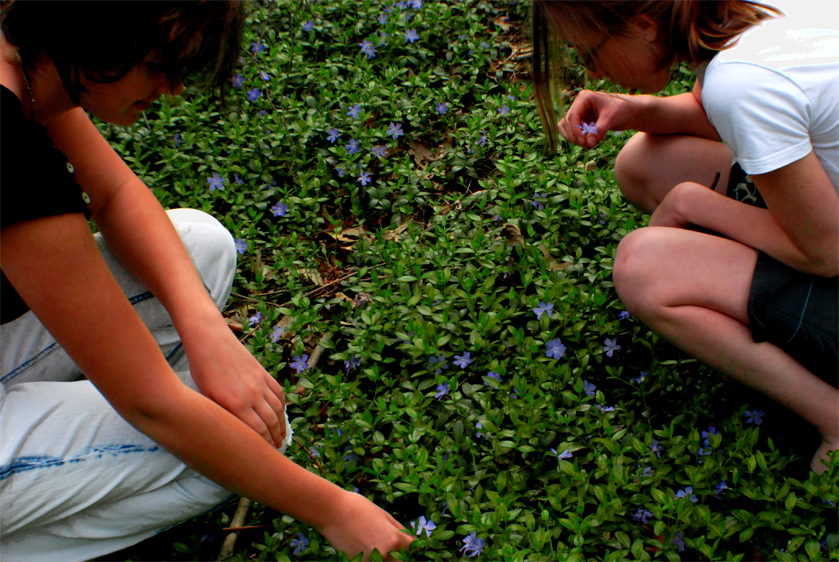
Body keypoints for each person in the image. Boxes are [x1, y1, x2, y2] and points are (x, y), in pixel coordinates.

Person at [0, 0, 413, 560]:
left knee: (203, 249)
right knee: (238, 449)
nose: (171, 89)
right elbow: (150, 404)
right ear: (92, 36)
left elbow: (118, 196)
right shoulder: (6, 141)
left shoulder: (28, 66)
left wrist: (206, 331)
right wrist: (332, 509)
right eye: (155, 65)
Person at [531, 0, 839, 472]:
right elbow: (708, 109)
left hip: (828, 244)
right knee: (644, 163)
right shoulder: (744, 13)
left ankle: (833, 417)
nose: (590, 69)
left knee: (643, 267)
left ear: (643, 24)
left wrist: (694, 204)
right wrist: (633, 109)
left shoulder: (741, 84)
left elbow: (824, 250)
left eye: (588, 52)